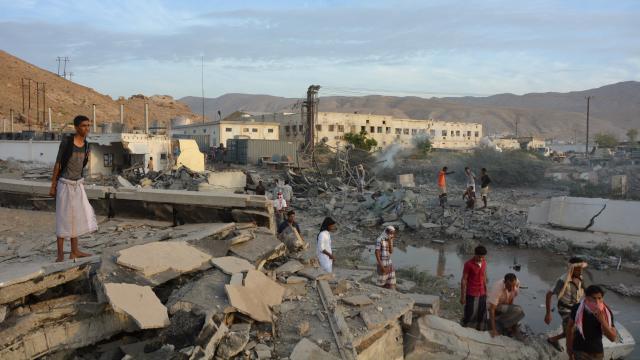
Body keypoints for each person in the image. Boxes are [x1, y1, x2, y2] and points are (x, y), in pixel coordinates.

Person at [49, 115, 97, 262]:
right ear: (76, 127)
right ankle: (60, 255)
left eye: (88, 125)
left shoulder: (87, 145)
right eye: (84, 125)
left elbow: (82, 165)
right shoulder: (67, 142)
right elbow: (58, 163)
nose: (87, 128)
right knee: (63, 218)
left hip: (78, 185)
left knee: (76, 217)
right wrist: (53, 185)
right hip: (64, 184)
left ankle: (74, 251)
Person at [545, 257, 588, 351]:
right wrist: (548, 313)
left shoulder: (580, 277)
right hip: (564, 308)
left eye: (581, 268)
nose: (580, 270)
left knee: (572, 330)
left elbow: (586, 291)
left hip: (575, 307)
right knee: (571, 329)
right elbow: (549, 295)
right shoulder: (562, 281)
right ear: (572, 268)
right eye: (578, 268)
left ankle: (553, 340)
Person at [566, 285, 617, 360]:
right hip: (579, 350)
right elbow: (569, 327)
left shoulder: (606, 313)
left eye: (599, 298)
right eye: (594, 298)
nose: (597, 301)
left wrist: (602, 321)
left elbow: (612, 338)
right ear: (586, 298)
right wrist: (569, 347)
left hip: (597, 353)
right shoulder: (577, 309)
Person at [461, 245, 488, 330]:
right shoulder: (468, 264)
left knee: (482, 313)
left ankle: (479, 330)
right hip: (471, 292)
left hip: (482, 292)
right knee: (470, 312)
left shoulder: (484, 262)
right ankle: (465, 328)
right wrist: (462, 296)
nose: (481, 259)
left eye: (482, 257)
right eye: (479, 256)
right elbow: (464, 280)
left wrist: (486, 290)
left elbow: (484, 275)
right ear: (475, 254)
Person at [488, 273, 524, 338]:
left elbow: (512, 297)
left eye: (513, 285)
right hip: (495, 306)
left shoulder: (516, 283)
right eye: (509, 286)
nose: (512, 288)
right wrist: (493, 330)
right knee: (517, 309)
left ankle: (510, 326)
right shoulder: (497, 288)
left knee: (518, 311)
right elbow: (491, 309)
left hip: (504, 304)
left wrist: (511, 317)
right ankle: (501, 324)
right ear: (504, 282)